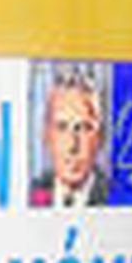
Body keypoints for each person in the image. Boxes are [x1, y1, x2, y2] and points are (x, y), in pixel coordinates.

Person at [30, 70, 109, 207]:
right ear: (46, 135)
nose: (72, 145)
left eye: (83, 128)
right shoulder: (30, 194)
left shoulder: (116, 196)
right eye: (62, 127)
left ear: (100, 137)